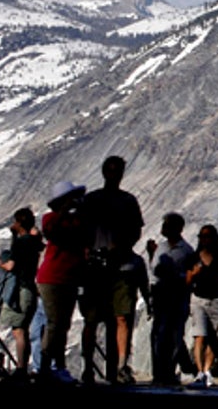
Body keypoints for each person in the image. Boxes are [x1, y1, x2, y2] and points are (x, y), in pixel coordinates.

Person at [81, 155, 145, 385]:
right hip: (97, 267)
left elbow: (136, 231)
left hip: (120, 267)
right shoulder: (92, 200)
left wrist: (122, 247)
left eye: (117, 171)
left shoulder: (127, 201)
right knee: (93, 319)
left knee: (120, 318)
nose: (114, 174)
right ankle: (88, 366)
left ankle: (119, 366)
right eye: (111, 170)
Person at [35, 181, 87, 384]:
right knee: (54, 323)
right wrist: (64, 212)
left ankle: (57, 366)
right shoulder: (51, 219)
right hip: (52, 278)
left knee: (62, 324)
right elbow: (51, 231)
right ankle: (47, 366)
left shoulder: (78, 221)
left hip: (70, 277)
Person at [0, 207, 44, 381]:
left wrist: (0, 263)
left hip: (20, 289)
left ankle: (21, 368)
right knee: (23, 328)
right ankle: (23, 366)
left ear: (19, 223)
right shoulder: (34, 242)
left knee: (19, 331)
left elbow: (12, 266)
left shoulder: (21, 243)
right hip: (30, 287)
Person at [150, 212, 195, 385]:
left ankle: (169, 370)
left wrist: (177, 277)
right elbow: (154, 270)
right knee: (159, 333)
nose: (164, 228)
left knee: (175, 333)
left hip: (177, 295)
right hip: (161, 294)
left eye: (167, 225)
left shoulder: (186, 250)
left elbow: (191, 275)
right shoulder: (160, 248)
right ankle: (158, 372)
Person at [187, 224, 218, 388]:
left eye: (208, 236)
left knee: (215, 337)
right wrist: (194, 274)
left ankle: (207, 370)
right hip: (198, 299)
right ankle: (199, 372)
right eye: (202, 237)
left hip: (216, 300)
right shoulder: (193, 257)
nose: (204, 240)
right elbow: (187, 280)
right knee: (200, 335)